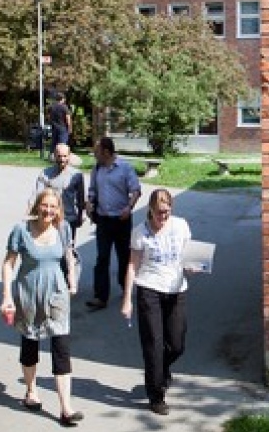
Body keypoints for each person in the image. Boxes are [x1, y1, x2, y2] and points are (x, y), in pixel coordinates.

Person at [0, 188, 83, 427]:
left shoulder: (63, 229)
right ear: (37, 206)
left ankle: (66, 408)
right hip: (28, 296)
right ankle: (31, 391)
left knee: (61, 348)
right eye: (44, 206)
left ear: (58, 210)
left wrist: (72, 281)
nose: (48, 211)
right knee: (30, 345)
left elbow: (67, 254)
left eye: (53, 207)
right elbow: (8, 264)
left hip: (57, 295)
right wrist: (7, 295)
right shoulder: (21, 231)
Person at [121, 188, 192, 416]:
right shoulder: (140, 232)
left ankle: (160, 369)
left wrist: (192, 266)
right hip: (149, 288)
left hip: (176, 289)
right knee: (153, 344)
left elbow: (188, 255)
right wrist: (127, 300)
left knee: (177, 344)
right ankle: (156, 395)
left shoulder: (180, 226)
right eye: (159, 212)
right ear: (150, 210)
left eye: (167, 211)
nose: (163, 216)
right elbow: (132, 266)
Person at [84, 137, 140, 311]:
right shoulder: (96, 169)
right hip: (103, 220)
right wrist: (89, 203)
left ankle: (126, 287)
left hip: (121, 220)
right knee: (102, 258)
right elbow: (92, 190)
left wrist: (129, 207)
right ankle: (101, 296)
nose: (94, 156)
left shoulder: (124, 167)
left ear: (106, 152)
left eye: (97, 152)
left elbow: (136, 190)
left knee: (124, 257)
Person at [42, 143, 87, 239]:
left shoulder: (77, 175)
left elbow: (81, 198)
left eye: (64, 156)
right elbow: (37, 196)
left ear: (69, 156)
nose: (62, 159)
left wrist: (81, 215)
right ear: (54, 156)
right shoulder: (45, 174)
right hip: (50, 218)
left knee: (68, 250)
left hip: (69, 219)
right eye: (59, 156)